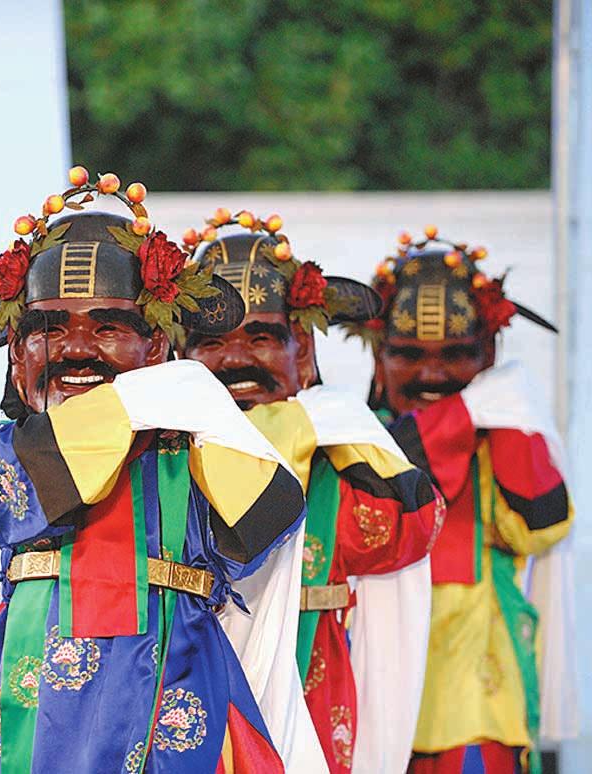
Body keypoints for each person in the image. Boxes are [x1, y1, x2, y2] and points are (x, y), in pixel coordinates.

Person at [0, 171, 320, 774]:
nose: (75, 348)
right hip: (39, 719)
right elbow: (44, 484)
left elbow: (271, 515)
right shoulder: (3, 452)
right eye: (49, 330)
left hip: (178, 710)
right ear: (17, 358)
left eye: (106, 327)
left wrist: (198, 409)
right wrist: (141, 401)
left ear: (154, 349)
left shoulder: (195, 447)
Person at [180, 209, 445, 774]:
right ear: (181, 355)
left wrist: (310, 425)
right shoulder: (158, 456)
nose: (235, 359)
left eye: (261, 337)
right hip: (188, 711)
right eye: (212, 342)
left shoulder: (342, 453)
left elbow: (410, 530)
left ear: (302, 350)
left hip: (311, 701)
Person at [347, 226, 575, 774]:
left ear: (488, 354)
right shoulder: (353, 439)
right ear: (379, 358)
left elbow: (542, 525)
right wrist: (462, 415)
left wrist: (497, 411)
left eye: (456, 355)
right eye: (408, 355)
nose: (432, 373)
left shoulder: (504, 435)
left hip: (475, 694)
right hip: (371, 684)